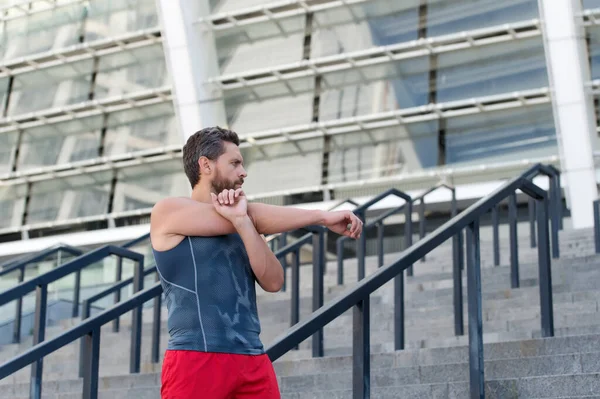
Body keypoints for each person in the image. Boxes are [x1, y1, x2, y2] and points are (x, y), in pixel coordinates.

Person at [150, 126, 363, 399]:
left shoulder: (242, 220)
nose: (243, 172)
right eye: (235, 163)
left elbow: (274, 281)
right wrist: (322, 217)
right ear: (206, 165)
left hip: (252, 359)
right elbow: (250, 214)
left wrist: (242, 222)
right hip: (195, 358)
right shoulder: (168, 211)